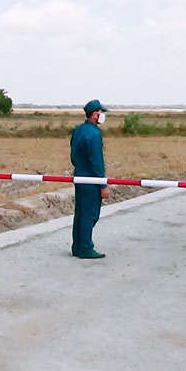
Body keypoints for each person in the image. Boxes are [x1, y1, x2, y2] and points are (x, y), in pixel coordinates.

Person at [70, 99, 110, 259]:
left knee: (80, 212)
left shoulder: (78, 130)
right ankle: (86, 247)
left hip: (79, 175)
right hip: (91, 179)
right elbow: (96, 162)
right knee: (90, 214)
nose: (102, 115)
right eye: (101, 112)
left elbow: (73, 154)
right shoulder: (94, 134)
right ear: (95, 114)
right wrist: (103, 185)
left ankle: (77, 246)